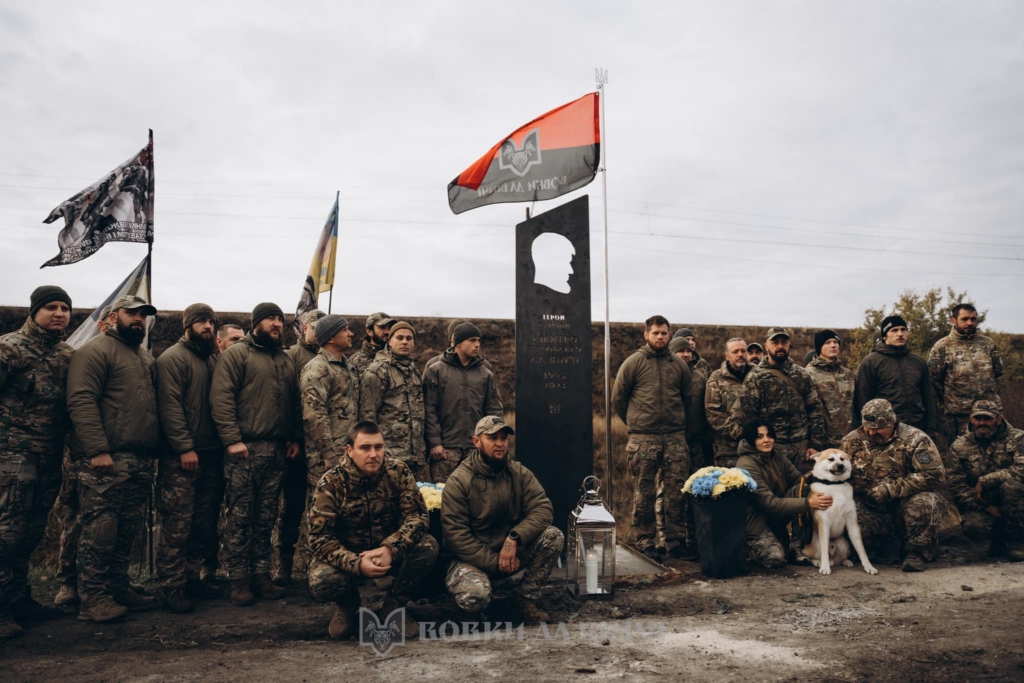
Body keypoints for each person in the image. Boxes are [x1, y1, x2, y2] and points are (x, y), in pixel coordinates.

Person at [66, 294, 160, 622]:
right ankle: (92, 597)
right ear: (112, 316)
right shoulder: (95, 350)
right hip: (105, 460)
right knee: (101, 530)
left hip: (138, 460)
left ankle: (118, 587)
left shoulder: (144, 357)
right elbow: (81, 399)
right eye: (131, 313)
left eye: (143, 315)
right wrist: (97, 449)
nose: (139, 319)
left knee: (127, 530)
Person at [307, 421, 437, 639]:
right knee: (321, 579)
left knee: (427, 546)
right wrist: (356, 563)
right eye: (365, 448)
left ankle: (394, 606)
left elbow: (418, 517)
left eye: (379, 447)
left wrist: (390, 548)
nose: (374, 454)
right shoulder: (331, 483)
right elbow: (319, 539)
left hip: (388, 551)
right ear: (349, 450)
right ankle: (348, 607)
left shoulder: (398, 472)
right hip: (349, 554)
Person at [210, 302, 301, 606]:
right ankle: (237, 578)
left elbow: (293, 403)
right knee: (239, 515)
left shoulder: (285, 360)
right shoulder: (238, 354)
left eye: (280, 319)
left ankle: (261, 575)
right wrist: (232, 440)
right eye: (271, 319)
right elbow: (221, 399)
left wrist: (293, 438)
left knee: (266, 516)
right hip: (244, 450)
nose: (277, 324)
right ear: (256, 323)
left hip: (276, 451)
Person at [0, 286, 75, 638]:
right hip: (10, 460)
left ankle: (19, 599)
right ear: (33, 312)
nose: (59, 313)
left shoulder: (65, 355)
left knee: (30, 534)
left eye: (64, 308)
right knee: (5, 535)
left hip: (47, 461)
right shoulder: (9, 348)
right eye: (50, 307)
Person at [441, 416, 563, 624]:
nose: (500, 444)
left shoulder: (519, 473)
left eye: (504, 438)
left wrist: (515, 538)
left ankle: (525, 600)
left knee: (553, 536)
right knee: (475, 598)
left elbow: (543, 508)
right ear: (476, 442)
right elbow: (456, 537)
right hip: (472, 560)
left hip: (510, 553)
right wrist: (494, 561)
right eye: (492, 438)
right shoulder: (459, 481)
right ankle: (467, 611)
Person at [154, 304, 223, 613]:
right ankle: (171, 586)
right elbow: (170, 407)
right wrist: (184, 447)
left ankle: (192, 577)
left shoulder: (212, 359)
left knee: (201, 523)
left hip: (211, 455)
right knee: (176, 523)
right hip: (182, 457)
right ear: (187, 326)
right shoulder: (173, 359)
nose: (207, 326)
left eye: (211, 321)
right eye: (201, 322)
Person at [612, 315, 697, 560]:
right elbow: (619, 399)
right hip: (643, 439)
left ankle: (674, 541)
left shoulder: (679, 365)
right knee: (644, 491)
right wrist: (637, 424)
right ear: (646, 335)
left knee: (676, 492)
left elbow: (687, 397)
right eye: (656, 333)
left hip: (674, 437)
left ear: (670, 335)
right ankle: (645, 540)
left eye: (664, 333)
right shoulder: (633, 363)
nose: (660, 337)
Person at [841, 399, 947, 572]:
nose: (871, 432)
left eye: (877, 428)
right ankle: (886, 547)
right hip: (870, 509)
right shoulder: (851, 441)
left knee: (926, 503)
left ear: (892, 422)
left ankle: (917, 552)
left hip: (903, 507)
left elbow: (934, 475)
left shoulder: (916, 439)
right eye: (867, 427)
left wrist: (891, 489)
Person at [296, 315, 360, 580]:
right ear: (331, 337)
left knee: (346, 513)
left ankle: (343, 568)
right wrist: (329, 454)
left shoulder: (346, 366)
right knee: (320, 513)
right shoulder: (317, 368)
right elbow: (314, 415)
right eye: (345, 330)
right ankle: (313, 571)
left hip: (348, 454)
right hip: (327, 458)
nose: (351, 334)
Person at [272, 308, 326, 586]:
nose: (318, 332)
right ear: (303, 329)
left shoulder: (331, 358)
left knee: (323, 510)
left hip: (324, 448)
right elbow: (286, 401)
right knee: (291, 507)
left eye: (322, 326)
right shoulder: (290, 357)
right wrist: (292, 438)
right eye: (313, 327)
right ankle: (284, 563)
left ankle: (318, 563)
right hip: (297, 447)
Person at [736, 419, 832, 568]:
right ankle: (747, 548)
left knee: (806, 488)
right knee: (776, 559)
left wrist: (814, 475)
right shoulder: (746, 464)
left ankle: (797, 547)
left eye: (769, 436)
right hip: (758, 523)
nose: (767, 440)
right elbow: (769, 503)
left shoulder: (776, 456)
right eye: (760, 437)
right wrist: (808, 503)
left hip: (776, 516)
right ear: (750, 440)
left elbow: (798, 482)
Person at [423, 322, 503, 483]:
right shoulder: (436, 370)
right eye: (472, 340)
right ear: (458, 342)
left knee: (479, 497)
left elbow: (494, 410)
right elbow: (428, 409)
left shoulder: (485, 373)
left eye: (479, 341)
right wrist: (435, 443)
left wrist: (489, 442)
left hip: (477, 449)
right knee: (441, 499)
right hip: (446, 451)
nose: (477, 345)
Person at [947, 400, 1024, 561]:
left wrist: (985, 480)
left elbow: (1022, 468)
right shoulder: (959, 446)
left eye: (987, 418)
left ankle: (1017, 541)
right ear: (971, 419)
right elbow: (956, 484)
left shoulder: (1018, 438)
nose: (982, 423)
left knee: (1012, 487)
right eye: (978, 418)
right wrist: (985, 506)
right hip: (983, 503)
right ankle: (998, 541)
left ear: (998, 419)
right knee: (975, 527)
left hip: (1015, 499)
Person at [743, 327, 827, 473]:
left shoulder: (802, 375)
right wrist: (759, 447)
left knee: (803, 489)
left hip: (802, 448)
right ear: (766, 346)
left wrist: (815, 444)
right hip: (772, 448)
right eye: (775, 342)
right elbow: (749, 417)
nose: (780, 346)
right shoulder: (755, 377)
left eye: (784, 342)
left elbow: (815, 410)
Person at [928, 303, 1004, 448]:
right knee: (962, 455)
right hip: (960, 416)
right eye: (964, 319)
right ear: (953, 320)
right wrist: (952, 402)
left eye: (973, 319)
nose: (970, 323)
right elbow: (934, 380)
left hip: (990, 414)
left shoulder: (988, 344)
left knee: (997, 453)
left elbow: (998, 373)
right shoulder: (942, 347)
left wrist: (992, 400)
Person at [360, 322, 428, 481]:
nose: (404, 342)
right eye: (400, 338)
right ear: (390, 341)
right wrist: (373, 452)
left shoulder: (414, 371)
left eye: (409, 338)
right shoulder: (378, 371)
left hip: (415, 455)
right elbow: (367, 414)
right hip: (389, 453)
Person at [852, 315, 938, 436]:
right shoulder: (871, 362)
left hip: (917, 428)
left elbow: (928, 397)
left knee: (923, 456)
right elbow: (863, 400)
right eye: (894, 330)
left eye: (903, 329)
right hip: (885, 430)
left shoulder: (918, 362)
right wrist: (869, 430)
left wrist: (931, 428)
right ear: (884, 335)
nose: (900, 334)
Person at [805, 330, 855, 449]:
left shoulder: (848, 374)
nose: (833, 345)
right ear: (819, 347)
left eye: (835, 342)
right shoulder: (808, 374)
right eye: (827, 342)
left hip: (850, 439)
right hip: (822, 441)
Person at [705, 338, 750, 468]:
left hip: (756, 446)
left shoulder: (757, 375)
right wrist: (740, 432)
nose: (740, 354)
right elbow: (713, 414)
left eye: (743, 351)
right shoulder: (716, 379)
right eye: (735, 351)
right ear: (727, 355)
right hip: (728, 449)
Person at [349, 312, 396, 376]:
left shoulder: (397, 358)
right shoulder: (355, 361)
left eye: (389, 328)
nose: (387, 332)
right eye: (382, 327)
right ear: (369, 331)